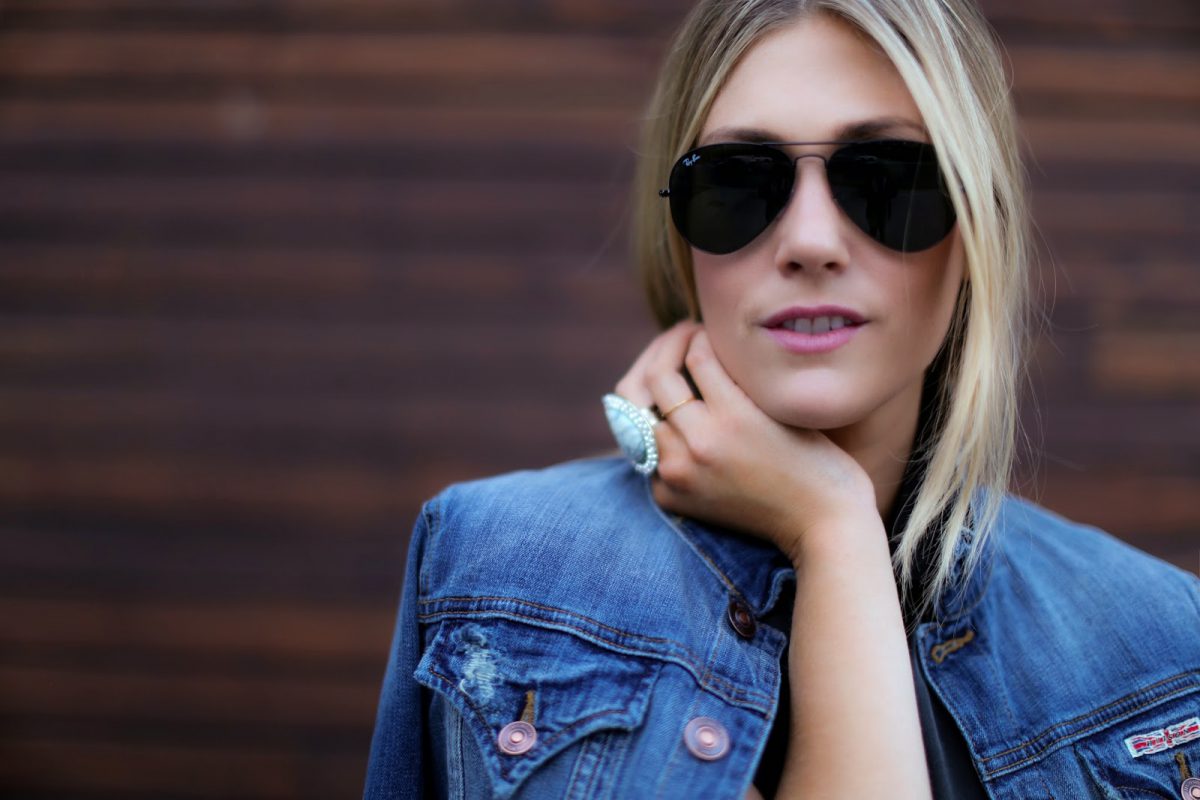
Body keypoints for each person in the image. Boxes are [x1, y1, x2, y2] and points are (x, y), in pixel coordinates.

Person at [364, 1, 1200, 797]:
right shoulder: (496, 567)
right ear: (679, 234)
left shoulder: (1164, 646)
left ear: (978, 226)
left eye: (888, 179)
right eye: (738, 184)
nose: (809, 242)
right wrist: (833, 524)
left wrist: (829, 523)